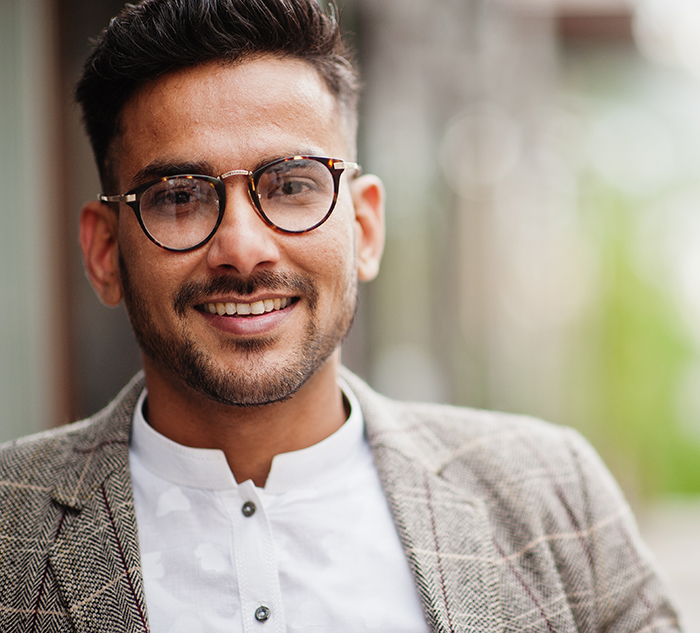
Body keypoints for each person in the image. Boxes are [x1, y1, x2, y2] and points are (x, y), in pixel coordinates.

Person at [0, 0, 681, 631]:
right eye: (180, 196)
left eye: (292, 185)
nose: (242, 248)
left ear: (366, 226)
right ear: (103, 252)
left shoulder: (553, 500)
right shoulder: (10, 526)